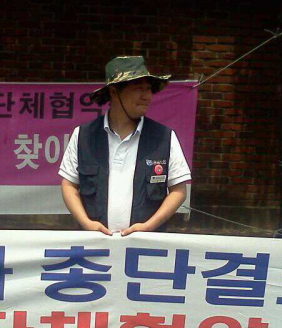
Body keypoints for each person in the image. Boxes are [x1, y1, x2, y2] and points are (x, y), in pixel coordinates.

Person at [58, 56, 191, 236]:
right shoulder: (84, 136)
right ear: (114, 92)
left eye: (148, 89)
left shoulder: (163, 137)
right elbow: (69, 185)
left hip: (143, 247)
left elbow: (178, 191)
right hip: (94, 246)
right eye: (138, 89)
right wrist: (87, 223)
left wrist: (149, 226)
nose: (147, 96)